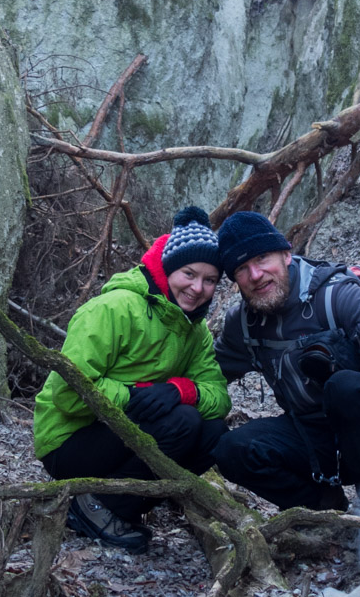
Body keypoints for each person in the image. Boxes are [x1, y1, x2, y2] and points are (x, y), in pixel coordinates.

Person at [211, 211, 360, 512]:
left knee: (346, 388)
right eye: (242, 268)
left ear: (286, 253)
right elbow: (210, 371)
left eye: (262, 258)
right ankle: (325, 509)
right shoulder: (244, 324)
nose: (256, 275)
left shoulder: (336, 296)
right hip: (317, 440)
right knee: (232, 450)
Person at [34, 206, 231, 553]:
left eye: (210, 280)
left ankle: (111, 504)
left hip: (121, 433)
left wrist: (180, 389)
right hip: (69, 441)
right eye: (189, 273)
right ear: (170, 268)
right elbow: (68, 391)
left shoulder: (194, 331)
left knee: (214, 433)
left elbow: (218, 396)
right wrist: (135, 396)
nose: (198, 288)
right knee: (183, 422)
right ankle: (92, 507)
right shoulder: (115, 307)